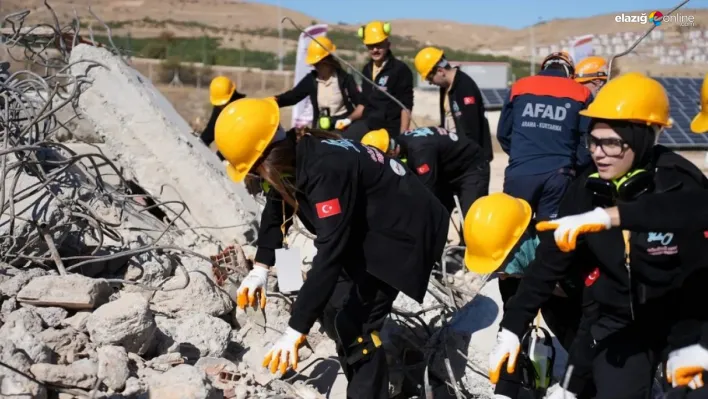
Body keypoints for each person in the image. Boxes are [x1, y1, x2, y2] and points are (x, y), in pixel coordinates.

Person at [490, 72, 708, 399]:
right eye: (593, 140)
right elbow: (547, 266)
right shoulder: (582, 191)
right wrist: (511, 328)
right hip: (618, 325)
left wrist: (698, 341)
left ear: (645, 137)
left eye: (611, 143)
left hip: (683, 320)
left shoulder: (682, 183)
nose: (598, 153)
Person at [215, 97, 449, 399]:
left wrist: (295, 329)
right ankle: (362, 380)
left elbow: (330, 254)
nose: (253, 179)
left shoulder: (324, 170)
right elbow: (276, 208)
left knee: (357, 326)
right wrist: (260, 268)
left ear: (266, 159)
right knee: (333, 305)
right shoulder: (294, 155)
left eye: (254, 171)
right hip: (368, 224)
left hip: (405, 232)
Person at [461, 193, 594, 399]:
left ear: (523, 240)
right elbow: (513, 327)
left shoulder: (578, 254)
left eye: (503, 265)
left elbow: (598, 325)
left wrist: (572, 384)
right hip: (567, 314)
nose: (502, 277)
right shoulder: (514, 275)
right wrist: (504, 392)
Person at [497, 51, 593, 222]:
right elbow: (587, 140)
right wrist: (573, 164)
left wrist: (521, 155)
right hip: (559, 175)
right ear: (570, 72)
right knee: (550, 236)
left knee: (513, 231)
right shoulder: (582, 92)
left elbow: (503, 133)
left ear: (544, 67)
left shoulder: (519, 87)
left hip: (520, 173)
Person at [360, 126, 489, 216]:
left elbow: (428, 189)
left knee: (471, 216)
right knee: (440, 214)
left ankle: (469, 250)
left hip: (471, 168)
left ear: (391, 151)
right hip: (447, 169)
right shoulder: (403, 141)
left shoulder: (420, 152)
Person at [413, 47, 494, 162]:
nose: (431, 83)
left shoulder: (464, 87)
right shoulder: (445, 88)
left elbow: (471, 130)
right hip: (456, 155)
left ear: (440, 71)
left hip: (471, 160)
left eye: (430, 78)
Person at [341, 21, 414, 142]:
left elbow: (406, 106)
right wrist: (348, 119)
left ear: (388, 43)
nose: (375, 50)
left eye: (379, 45)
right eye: (371, 46)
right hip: (367, 125)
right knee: (343, 142)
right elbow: (363, 103)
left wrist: (402, 138)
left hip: (389, 130)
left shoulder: (400, 70)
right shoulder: (366, 70)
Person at [273, 36, 362, 132]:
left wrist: (348, 120)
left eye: (317, 64)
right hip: (320, 130)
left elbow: (361, 104)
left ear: (327, 61)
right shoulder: (311, 80)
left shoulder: (345, 79)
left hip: (343, 129)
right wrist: (273, 101)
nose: (315, 67)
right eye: (313, 64)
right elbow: (293, 96)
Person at [200, 76, 246, 160]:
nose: (221, 106)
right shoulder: (219, 107)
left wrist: (220, 157)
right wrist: (199, 145)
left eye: (223, 103)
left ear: (232, 96)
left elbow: (240, 140)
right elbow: (211, 130)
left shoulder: (242, 109)